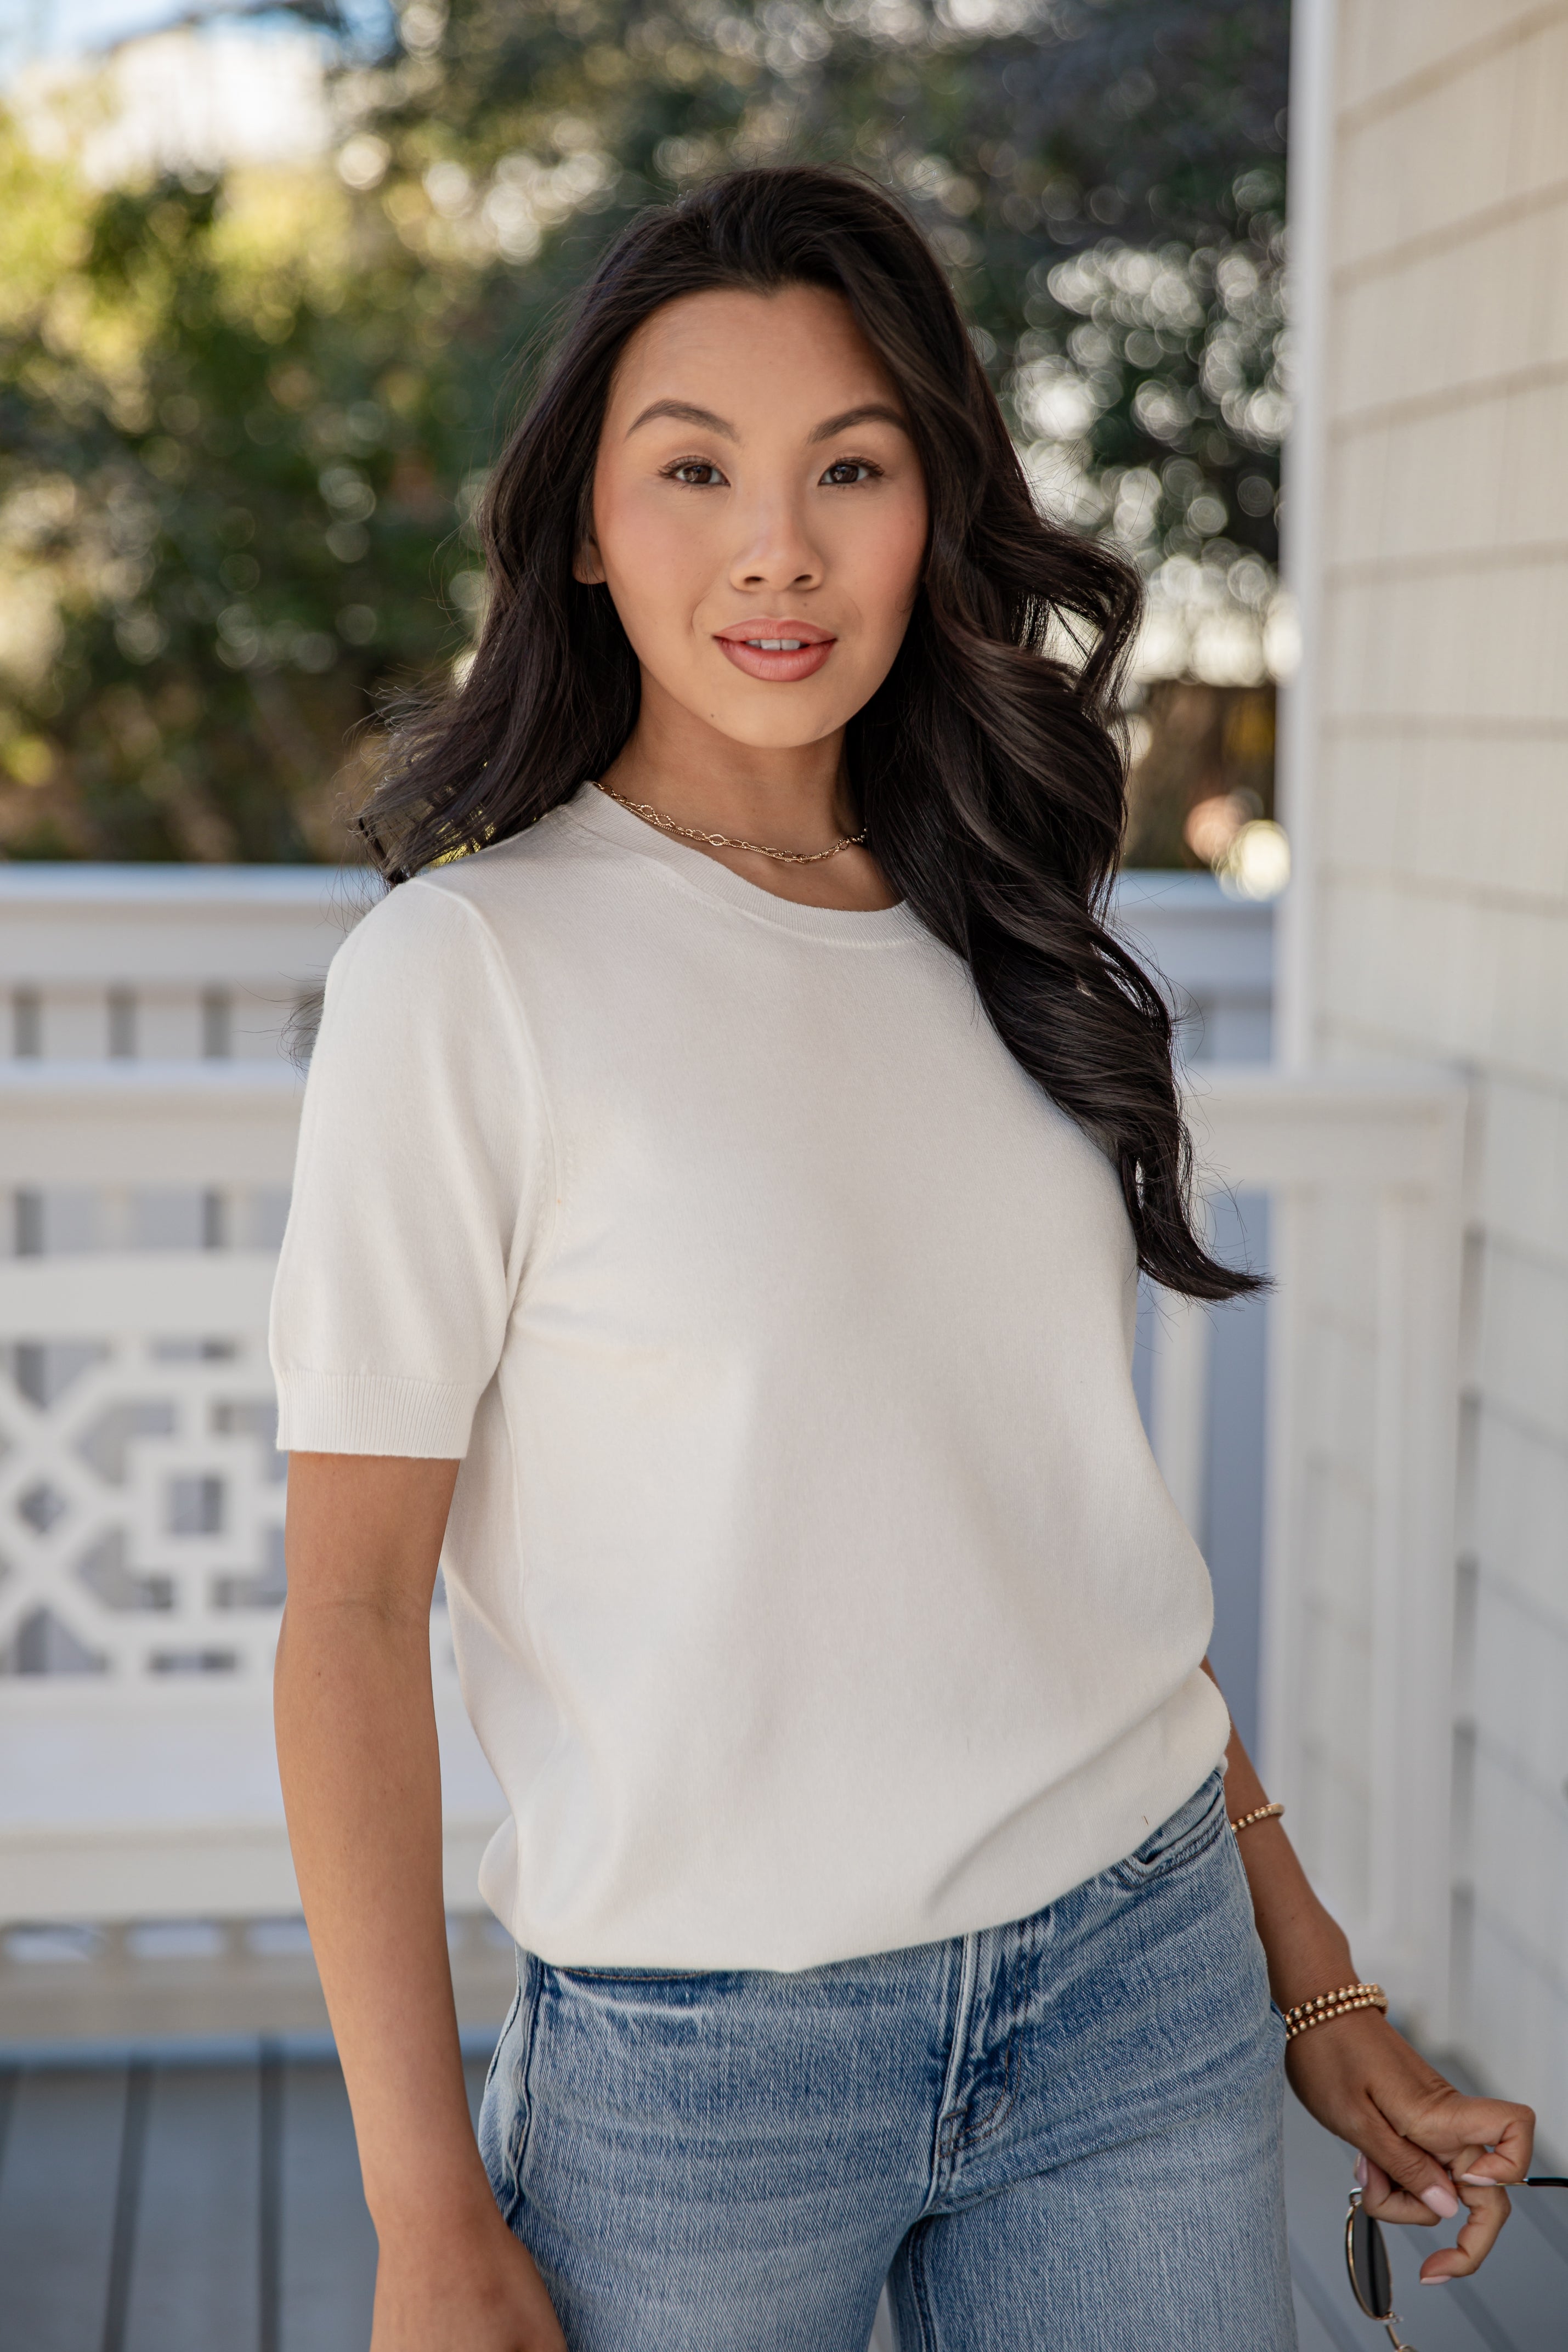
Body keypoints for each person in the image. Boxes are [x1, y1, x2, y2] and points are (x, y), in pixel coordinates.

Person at [270, 166, 1533, 2352]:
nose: (777, 547)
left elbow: (1063, 1536)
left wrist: (1307, 1967)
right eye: (694, 471)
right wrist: (421, 2211)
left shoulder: (1001, 921)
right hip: (699, 2071)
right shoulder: (465, 975)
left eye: (849, 468)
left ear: (932, 509)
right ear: (582, 523)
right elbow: (355, 1612)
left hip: (1135, 1992)